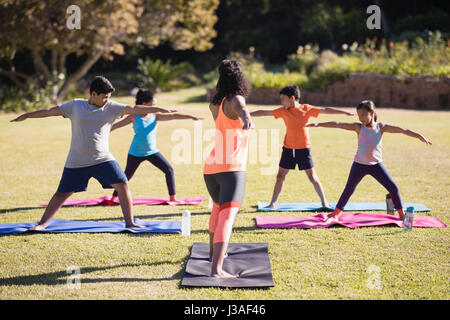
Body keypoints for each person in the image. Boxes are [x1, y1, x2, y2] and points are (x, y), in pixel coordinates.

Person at [10, 76, 175, 230]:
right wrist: (26, 115)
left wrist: (161, 109)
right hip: (77, 160)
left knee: (123, 185)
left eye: (109, 97)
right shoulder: (75, 106)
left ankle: (130, 222)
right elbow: (49, 111)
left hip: (103, 158)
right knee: (62, 194)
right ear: (93, 94)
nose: (106, 100)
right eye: (104, 97)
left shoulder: (111, 107)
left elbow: (134, 108)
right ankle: (42, 224)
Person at [306, 100, 432, 222]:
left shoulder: (381, 127)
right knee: (348, 190)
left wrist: (419, 136)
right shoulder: (358, 127)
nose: (361, 118)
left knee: (393, 188)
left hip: (376, 166)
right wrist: (318, 124)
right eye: (359, 115)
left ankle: (401, 215)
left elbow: (402, 130)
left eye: (363, 115)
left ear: (372, 112)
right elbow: (338, 124)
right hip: (359, 165)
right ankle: (335, 214)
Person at [250, 84, 354, 210]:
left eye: (283, 99)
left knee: (312, 177)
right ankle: (273, 203)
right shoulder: (283, 111)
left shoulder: (307, 109)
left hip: (304, 149)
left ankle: (324, 203)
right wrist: (245, 114)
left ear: (292, 98)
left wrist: (345, 112)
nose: (281, 102)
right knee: (280, 176)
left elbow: (326, 109)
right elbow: (264, 112)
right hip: (288, 149)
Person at [106, 89, 203, 205]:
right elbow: (115, 126)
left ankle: (173, 198)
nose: (155, 107)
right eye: (153, 104)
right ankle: (113, 199)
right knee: (126, 177)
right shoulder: (133, 117)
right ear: (144, 104)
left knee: (169, 170)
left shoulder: (155, 116)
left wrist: (191, 117)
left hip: (152, 152)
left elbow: (173, 116)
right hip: (135, 153)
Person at [204, 59, 254, 278]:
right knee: (227, 216)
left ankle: (212, 255)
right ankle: (217, 270)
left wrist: (245, 118)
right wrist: (248, 119)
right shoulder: (236, 99)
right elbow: (242, 110)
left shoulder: (215, 103)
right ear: (239, 77)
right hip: (231, 168)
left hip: (211, 168)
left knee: (217, 208)